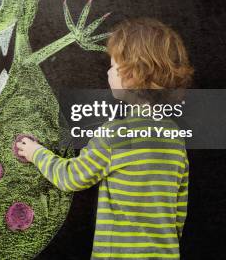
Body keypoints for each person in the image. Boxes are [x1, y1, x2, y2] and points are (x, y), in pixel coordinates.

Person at [16, 18, 194, 259]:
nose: (108, 72)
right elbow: (178, 212)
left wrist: (35, 152)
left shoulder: (115, 135)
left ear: (133, 74)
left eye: (113, 66)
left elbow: (71, 177)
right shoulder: (174, 137)